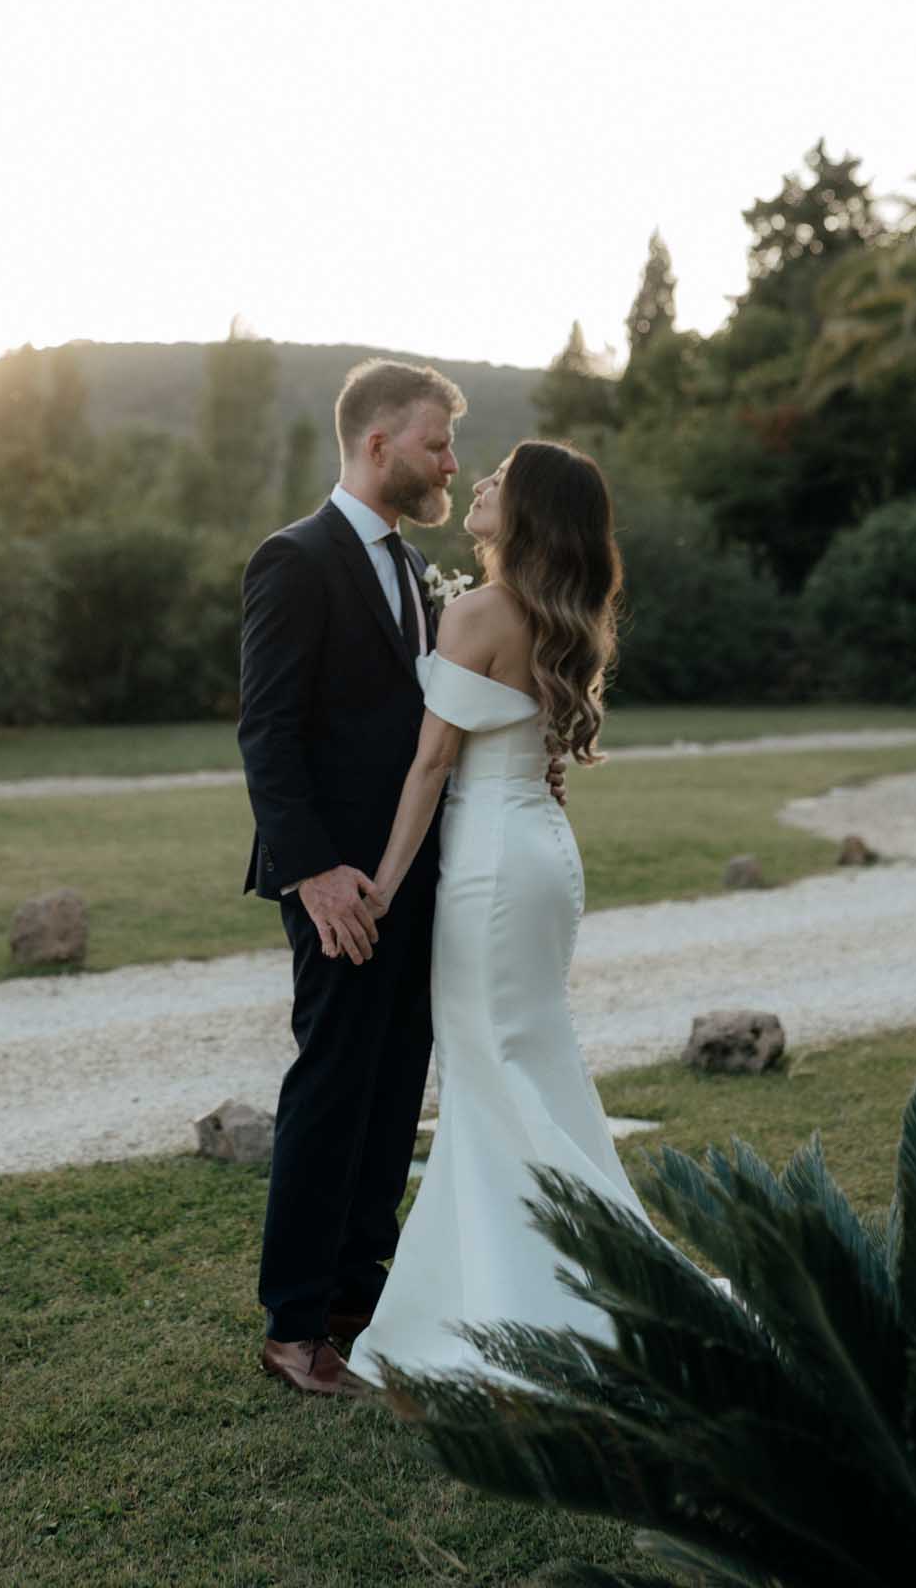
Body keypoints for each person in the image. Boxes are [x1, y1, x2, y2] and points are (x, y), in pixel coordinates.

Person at [347, 439, 726, 1389]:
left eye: (499, 480)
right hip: (541, 851)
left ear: (528, 514)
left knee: (493, 1067)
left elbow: (432, 764)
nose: (476, 483)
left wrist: (386, 886)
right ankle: (578, 1265)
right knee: (529, 1062)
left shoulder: (477, 610)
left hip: (488, 863)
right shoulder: (553, 617)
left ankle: (532, 1297)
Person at [237, 361, 567, 1398]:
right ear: (378, 445)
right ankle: (293, 1326)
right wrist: (315, 874)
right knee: (333, 1085)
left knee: (392, 1096)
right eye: (436, 444)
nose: (450, 463)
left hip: (424, 876)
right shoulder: (294, 559)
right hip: (339, 883)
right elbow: (269, 732)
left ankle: (357, 1302)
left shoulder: (426, 579)